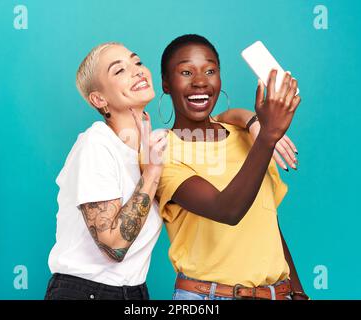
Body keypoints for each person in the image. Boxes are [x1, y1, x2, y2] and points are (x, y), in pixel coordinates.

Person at [44, 41, 301, 300]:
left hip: (132, 291)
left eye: (137, 62)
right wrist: (153, 173)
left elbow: (216, 122)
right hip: (87, 291)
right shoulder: (97, 143)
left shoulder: (148, 145)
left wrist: (250, 119)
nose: (136, 71)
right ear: (99, 99)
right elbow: (114, 247)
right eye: (119, 70)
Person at [156, 34, 308, 300]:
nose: (201, 81)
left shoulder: (246, 136)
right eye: (186, 72)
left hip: (277, 294)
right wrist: (268, 135)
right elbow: (227, 209)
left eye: (210, 70)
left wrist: (297, 292)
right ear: (166, 84)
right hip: (208, 298)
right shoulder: (161, 151)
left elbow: (267, 226)